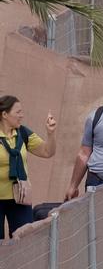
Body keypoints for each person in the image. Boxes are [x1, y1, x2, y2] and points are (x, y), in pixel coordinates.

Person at [0, 97, 57, 236]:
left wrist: (50, 134)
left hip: (21, 197)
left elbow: (47, 151)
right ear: (4, 115)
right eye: (18, 112)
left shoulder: (23, 133)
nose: (22, 115)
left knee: (25, 240)